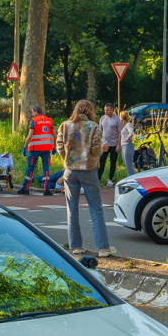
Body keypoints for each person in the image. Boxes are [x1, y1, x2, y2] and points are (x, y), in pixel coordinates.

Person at [57, 99, 110, 256]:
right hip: (88, 170)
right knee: (96, 209)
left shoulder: (65, 125)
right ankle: (102, 248)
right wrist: (102, 149)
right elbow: (95, 151)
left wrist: (67, 159)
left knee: (72, 210)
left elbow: (60, 147)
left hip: (69, 171)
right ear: (90, 111)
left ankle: (75, 246)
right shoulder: (93, 126)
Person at [17, 104, 55, 195]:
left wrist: (25, 147)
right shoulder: (49, 120)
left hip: (35, 149)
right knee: (46, 168)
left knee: (30, 168)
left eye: (32, 112)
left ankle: (25, 188)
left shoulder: (34, 121)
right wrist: (54, 147)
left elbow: (30, 135)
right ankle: (47, 189)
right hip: (46, 148)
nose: (32, 114)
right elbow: (54, 134)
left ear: (36, 111)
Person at [98, 104, 122, 187]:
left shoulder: (117, 119)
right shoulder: (102, 118)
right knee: (101, 161)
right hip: (104, 144)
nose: (106, 112)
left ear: (112, 109)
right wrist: (99, 143)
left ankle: (110, 180)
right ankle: (98, 178)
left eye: (107, 110)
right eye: (105, 110)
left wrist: (119, 145)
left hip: (114, 144)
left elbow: (120, 132)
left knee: (113, 162)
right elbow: (100, 131)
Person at [119, 111, 135, 177]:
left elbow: (131, 133)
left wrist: (127, 139)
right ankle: (130, 177)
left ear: (122, 118)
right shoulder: (125, 126)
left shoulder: (128, 124)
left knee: (129, 165)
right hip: (124, 146)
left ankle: (132, 179)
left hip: (127, 146)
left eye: (120, 116)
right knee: (126, 164)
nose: (119, 117)